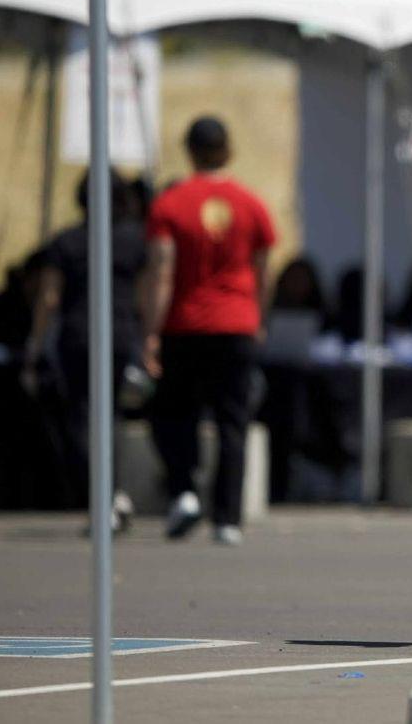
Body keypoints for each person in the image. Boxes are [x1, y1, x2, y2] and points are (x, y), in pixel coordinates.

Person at [142, 116, 276, 546]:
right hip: (236, 323)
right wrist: (259, 317)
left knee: (172, 413)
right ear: (228, 150)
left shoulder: (170, 203)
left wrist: (151, 331)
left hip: (184, 326)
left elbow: (162, 272)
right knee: (232, 422)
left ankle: (184, 489)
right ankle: (228, 518)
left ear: (190, 151)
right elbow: (263, 269)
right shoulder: (251, 204)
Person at [23, 170, 146, 528]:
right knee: (113, 416)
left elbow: (48, 298)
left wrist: (35, 345)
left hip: (79, 336)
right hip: (121, 334)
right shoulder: (133, 241)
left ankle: (103, 495)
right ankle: (111, 492)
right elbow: (144, 294)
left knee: (81, 418)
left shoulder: (67, 242)